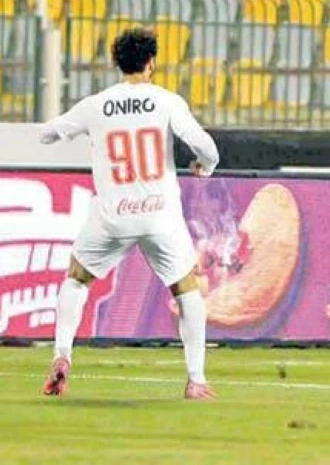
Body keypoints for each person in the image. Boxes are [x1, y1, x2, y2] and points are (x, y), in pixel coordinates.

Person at [38, 27, 220, 400]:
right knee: (186, 289)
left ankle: (62, 355)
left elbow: (48, 134)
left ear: (117, 63)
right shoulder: (166, 101)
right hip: (159, 214)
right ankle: (196, 380)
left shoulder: (96, 104)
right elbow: (205, 145)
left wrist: (68, 132)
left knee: (77, 279)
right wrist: (206, 165)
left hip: (112, 215)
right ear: (151, 62)